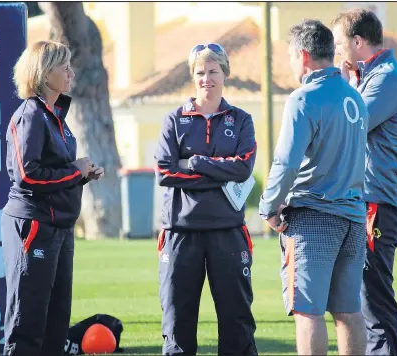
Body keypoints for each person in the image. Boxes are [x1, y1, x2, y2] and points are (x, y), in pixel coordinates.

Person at [259, 20, 369, 355]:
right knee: (349, 312)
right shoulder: (354, 97)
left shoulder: (303, 98)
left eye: (292, 56)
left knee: (307, 312)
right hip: (353, 217)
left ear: (303, 55)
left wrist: (268, 206)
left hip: (314, 219)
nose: (291, 64)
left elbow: (287, 164)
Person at [1, 40, 104, 355]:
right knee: (28, 323)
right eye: (64, 67)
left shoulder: (56, 117)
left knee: (56, 324)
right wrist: (75, 170)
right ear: (45, 75)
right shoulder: (30, 115)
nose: (71, 74)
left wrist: (81, 176)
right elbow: (28, 175)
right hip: (33, 226)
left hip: (59, 228)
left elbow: (54, 174)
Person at [154, 43, 258, 355]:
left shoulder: (241, 120)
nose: (206, 78)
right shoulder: (174, 120)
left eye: (213, 71)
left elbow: (243, 168)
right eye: (200, 72)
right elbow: (164, 172)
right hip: (180, 233)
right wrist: (218, 173)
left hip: (227, 231)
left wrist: (197, 162)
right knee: (177, 318)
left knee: (236, 318)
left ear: (225, 74)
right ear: (193, 76)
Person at [332, 9, 397, 356]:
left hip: (377, 205)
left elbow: (348, 125)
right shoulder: (370, 78)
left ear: (357, 42)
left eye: (338, 43)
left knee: (373, 299)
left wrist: (341, 86)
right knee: (361, 297)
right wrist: (350, 84)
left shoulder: (386, 79)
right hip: (367, 203)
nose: (336, 51)